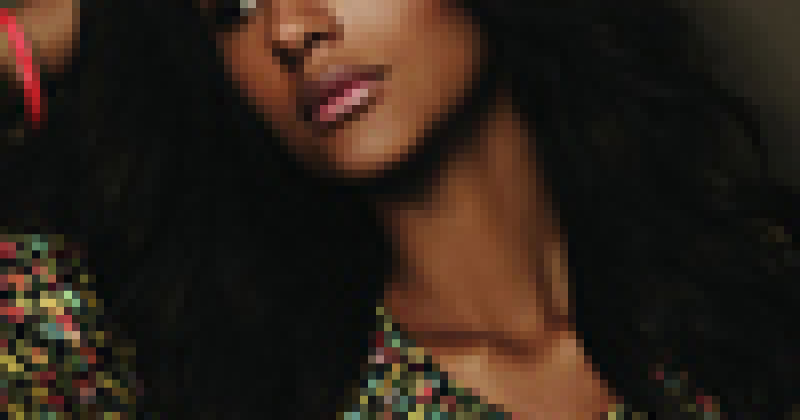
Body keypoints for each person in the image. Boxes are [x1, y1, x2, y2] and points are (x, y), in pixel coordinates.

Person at [1, 0, 798, 417]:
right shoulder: (236, 382)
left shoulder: (750, 295)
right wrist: (82, 27)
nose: (291, 29)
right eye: (235, 7)